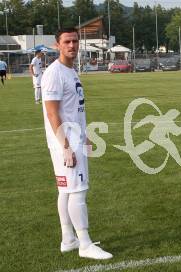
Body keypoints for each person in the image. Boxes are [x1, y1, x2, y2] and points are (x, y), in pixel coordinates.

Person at [41, 28, 112, 260]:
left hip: (74, 138)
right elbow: (52, 113)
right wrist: (66, 147)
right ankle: (85, 243)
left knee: (66, 191)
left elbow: (73, 110)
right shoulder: (54, 73)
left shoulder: (71, 71)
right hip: (65, 142)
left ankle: (68, 239)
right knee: (78, 192)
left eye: (75, 41)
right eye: (67, 42)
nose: (72, 45)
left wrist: (85, 135)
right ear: (57, 45)